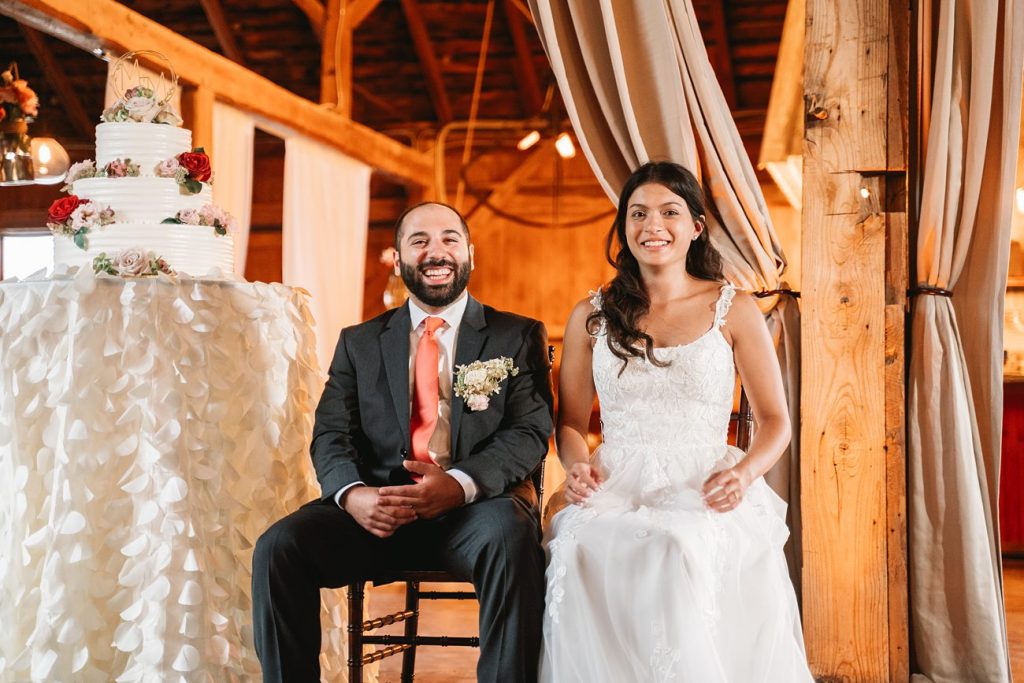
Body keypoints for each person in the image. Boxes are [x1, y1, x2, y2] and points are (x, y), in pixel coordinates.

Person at [252, 201, 554, 682]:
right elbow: (331, 433)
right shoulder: (359, 342)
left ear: (470, 254)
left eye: (449, 240)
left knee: (512, 539)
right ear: (397, 258)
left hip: (477, 512)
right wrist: (353, 496)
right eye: (420, 241)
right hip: (378, 514)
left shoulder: (515, 336)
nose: (436, 252)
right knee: (279, 547)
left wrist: (457, 485)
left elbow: (530, 431)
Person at [539, 161, 813, 681]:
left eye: (669, 212)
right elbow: (570, 422)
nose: (652, 226)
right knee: (578, 542)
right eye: (638, 214)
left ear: (696, 226)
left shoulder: (734, 310)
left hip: (706, 480)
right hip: (615, 477)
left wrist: (742, 475)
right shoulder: (591, 314)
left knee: (676, 542)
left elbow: (776, 421)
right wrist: (575, 468)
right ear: (623, 227)